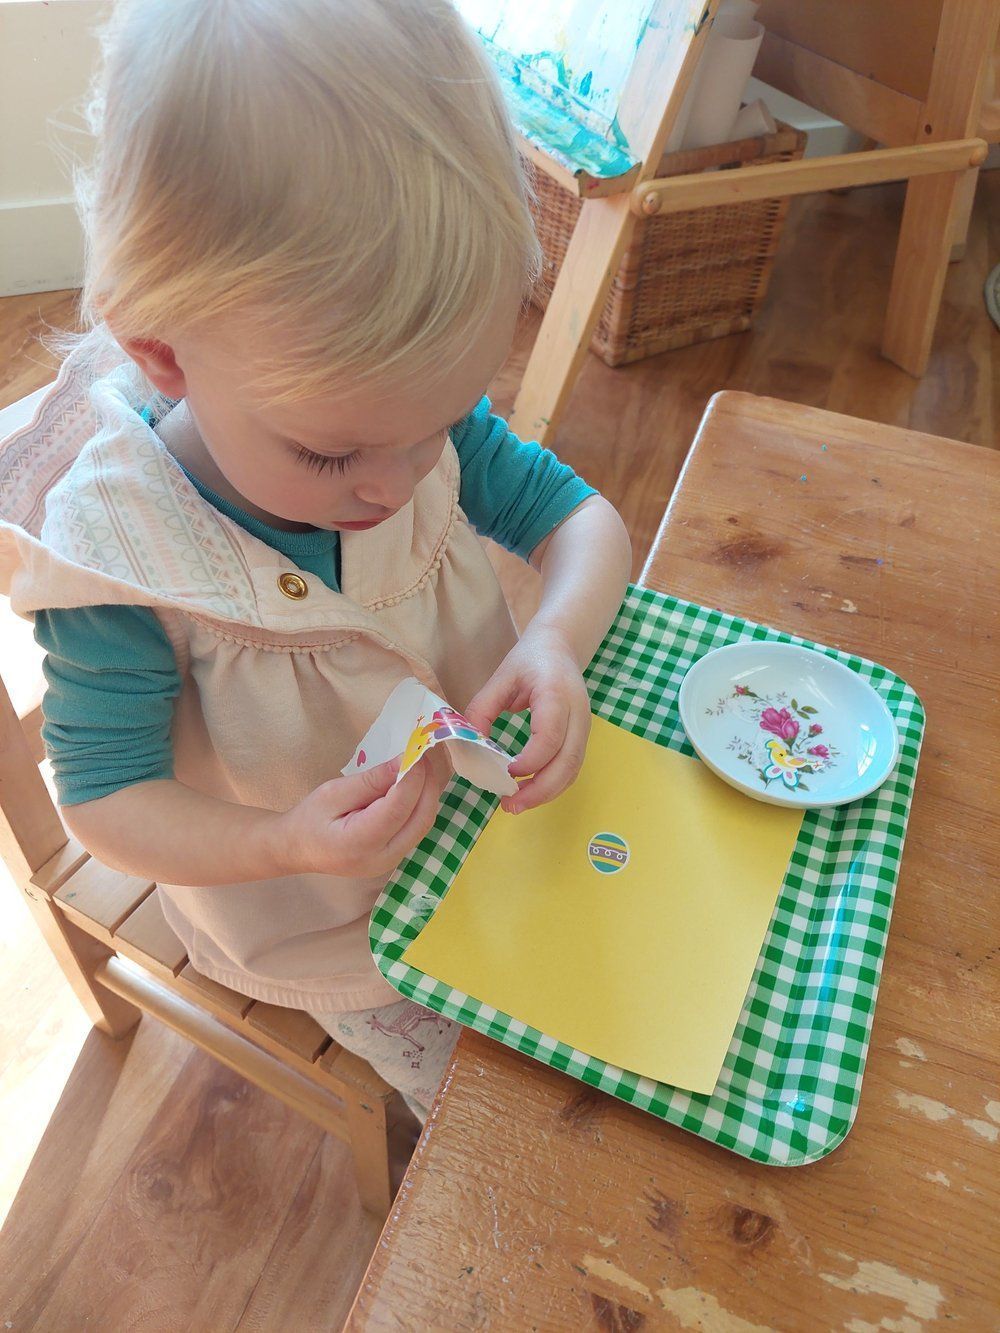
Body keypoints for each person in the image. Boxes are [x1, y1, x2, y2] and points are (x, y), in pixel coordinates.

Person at [0, 0, 631, 1121]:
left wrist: (554, 640)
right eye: (332, 452)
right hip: (321, 918)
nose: (394, 484)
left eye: (439, 422)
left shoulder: (387, 414)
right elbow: (105, 800)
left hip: (484, 828)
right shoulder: (125, 563)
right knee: (502, 1124)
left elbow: (582, 524)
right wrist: (278, 838)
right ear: (161, 351)